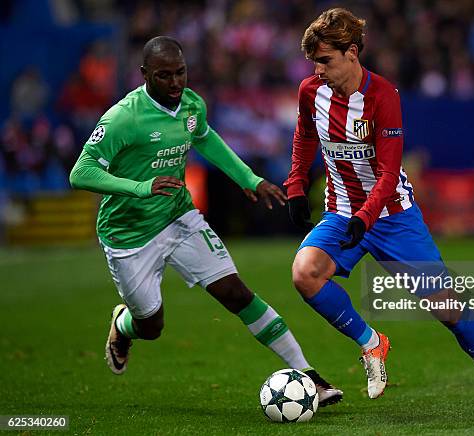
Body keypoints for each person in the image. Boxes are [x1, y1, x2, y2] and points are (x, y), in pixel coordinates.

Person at [285, 8, 474, 415]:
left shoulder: (383, 96)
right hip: (341, 211)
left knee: (448, 308)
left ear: (352, 53)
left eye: (326, 60)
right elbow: (304, 135)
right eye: (314, 61)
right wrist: (296, 185)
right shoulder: (311, 91)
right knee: (304, 274)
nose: (318, 69)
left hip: (391, 216)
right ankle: (372, 343)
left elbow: (387, 173)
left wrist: (364, 218)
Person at [69, 36, 342, 406]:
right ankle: (123, 326)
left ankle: (311, 377)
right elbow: (81, 173)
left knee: (235, 292)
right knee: (151, 326)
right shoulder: (123, 118)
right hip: (128, 233)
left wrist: (248, 178)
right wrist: (140, 187)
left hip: (179, 216)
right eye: (164, 75)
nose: (175, 82)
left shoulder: (192, 103)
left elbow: (206, 138)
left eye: (180, 72)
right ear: (145, 75)